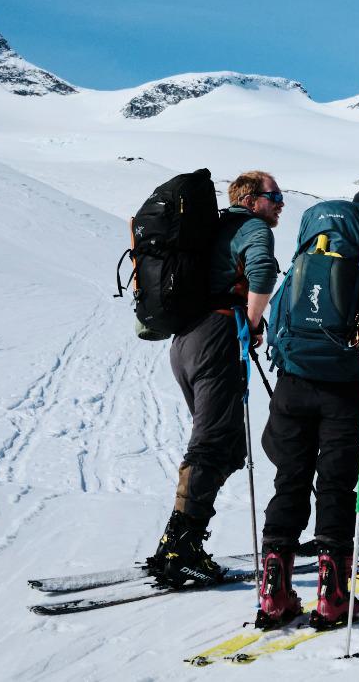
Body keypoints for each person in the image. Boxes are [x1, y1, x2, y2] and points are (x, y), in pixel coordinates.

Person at [251, 187, 359, 627]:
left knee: (290, 480)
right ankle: (333, 596)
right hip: (347, 391)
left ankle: (274, 594)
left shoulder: (314, 253)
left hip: (293, 383)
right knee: (336, 487)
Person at [146, 170, 282, 588]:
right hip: (218, 337)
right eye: (275, 195)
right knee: (212, 443)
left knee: (224, 444)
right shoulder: (252, 227)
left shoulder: (213, 228)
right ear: (253, 198)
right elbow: (262, 273)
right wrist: (255, 323)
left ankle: (176, 541)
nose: (280, 204)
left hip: (185, 341)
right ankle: (181, 550)